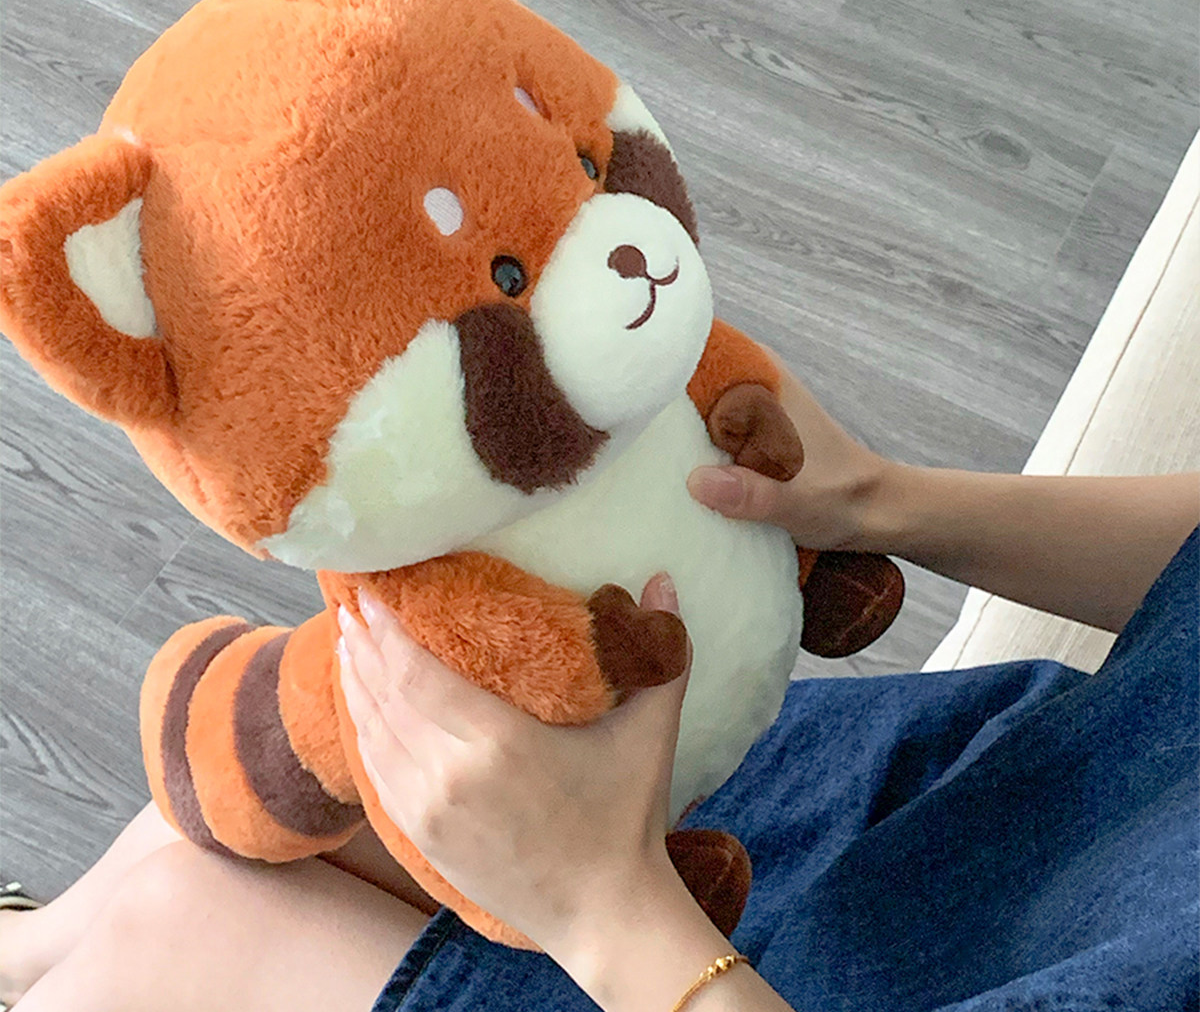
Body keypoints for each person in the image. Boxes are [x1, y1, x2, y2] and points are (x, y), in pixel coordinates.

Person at [2, 366, 1196, 1011]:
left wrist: (603, 907)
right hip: (976, 808)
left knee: (180, 929)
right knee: (254, 807)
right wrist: (876, 499)